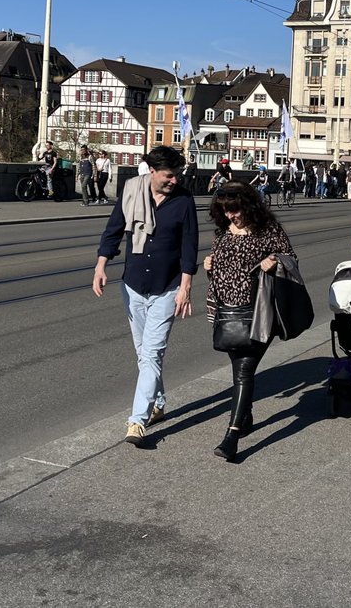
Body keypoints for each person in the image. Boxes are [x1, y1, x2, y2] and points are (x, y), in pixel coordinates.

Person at [93, 146, 198, 447]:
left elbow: (190, 245)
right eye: (168, 175)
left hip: (168, 287)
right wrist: (101, 265)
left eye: (177, 175)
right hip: (133, 286)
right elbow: (113, 232)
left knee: (152, 354)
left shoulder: (184, 200)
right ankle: (158, 404)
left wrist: (186, 286)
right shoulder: (131, 192)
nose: (174, 181)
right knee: (144, 354)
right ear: (151, 171)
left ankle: (137, 421)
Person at [203, 181, 294, 461]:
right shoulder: (222, 233)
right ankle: (247, 415)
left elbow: (290, 257)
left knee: (244, 371)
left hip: (258, 312)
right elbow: (220, 271)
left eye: (236, 210)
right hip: (227, 312)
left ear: (248, 205)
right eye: (227, 211)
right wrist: (208, 266)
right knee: (240, 372)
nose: (232, 216)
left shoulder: (267, 230)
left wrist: (275, 262)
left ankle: (232, 435)